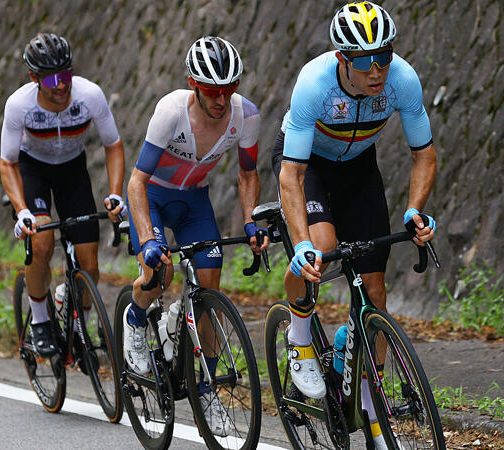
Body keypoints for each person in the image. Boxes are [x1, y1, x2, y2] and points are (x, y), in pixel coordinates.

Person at [272, 2, 437, 448]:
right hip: (309, 167)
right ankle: (300, 338)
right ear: (343, 58)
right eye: (364, 61)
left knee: (374, 293)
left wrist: (415, 209)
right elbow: (292, 175)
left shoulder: (402, 80)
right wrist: (303, 243)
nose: (376, 70)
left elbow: (424, 153)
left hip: (360, 169)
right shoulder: (314, 84)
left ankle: (373, 409)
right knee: (321, 252)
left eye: (383, 57)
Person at [124, 36, 267, 436]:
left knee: (210, 296)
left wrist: (251, 222)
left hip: (194, 202)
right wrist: (150, 239)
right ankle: (135, 320)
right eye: (211, 91)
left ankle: (205, 390)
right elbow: (137, 181)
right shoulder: (170, 112)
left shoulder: (246, 115)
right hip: (153, 196)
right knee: (160, 274)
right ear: (193, 84)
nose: (221, 100)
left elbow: (247, 173)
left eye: (229, 89)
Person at [0, 33, 126, 357]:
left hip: (72, 170)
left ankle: (78, 328)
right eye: (53, 78)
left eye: (66, 74)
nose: (62, 85)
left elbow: (113, 145)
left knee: (89, 262)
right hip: (33, 170)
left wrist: (114, 193)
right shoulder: (19, 105)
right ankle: (40, 321)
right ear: (34, 78)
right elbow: (8, 162)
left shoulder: (89, 96)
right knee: (41, 242)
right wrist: (21, 209)